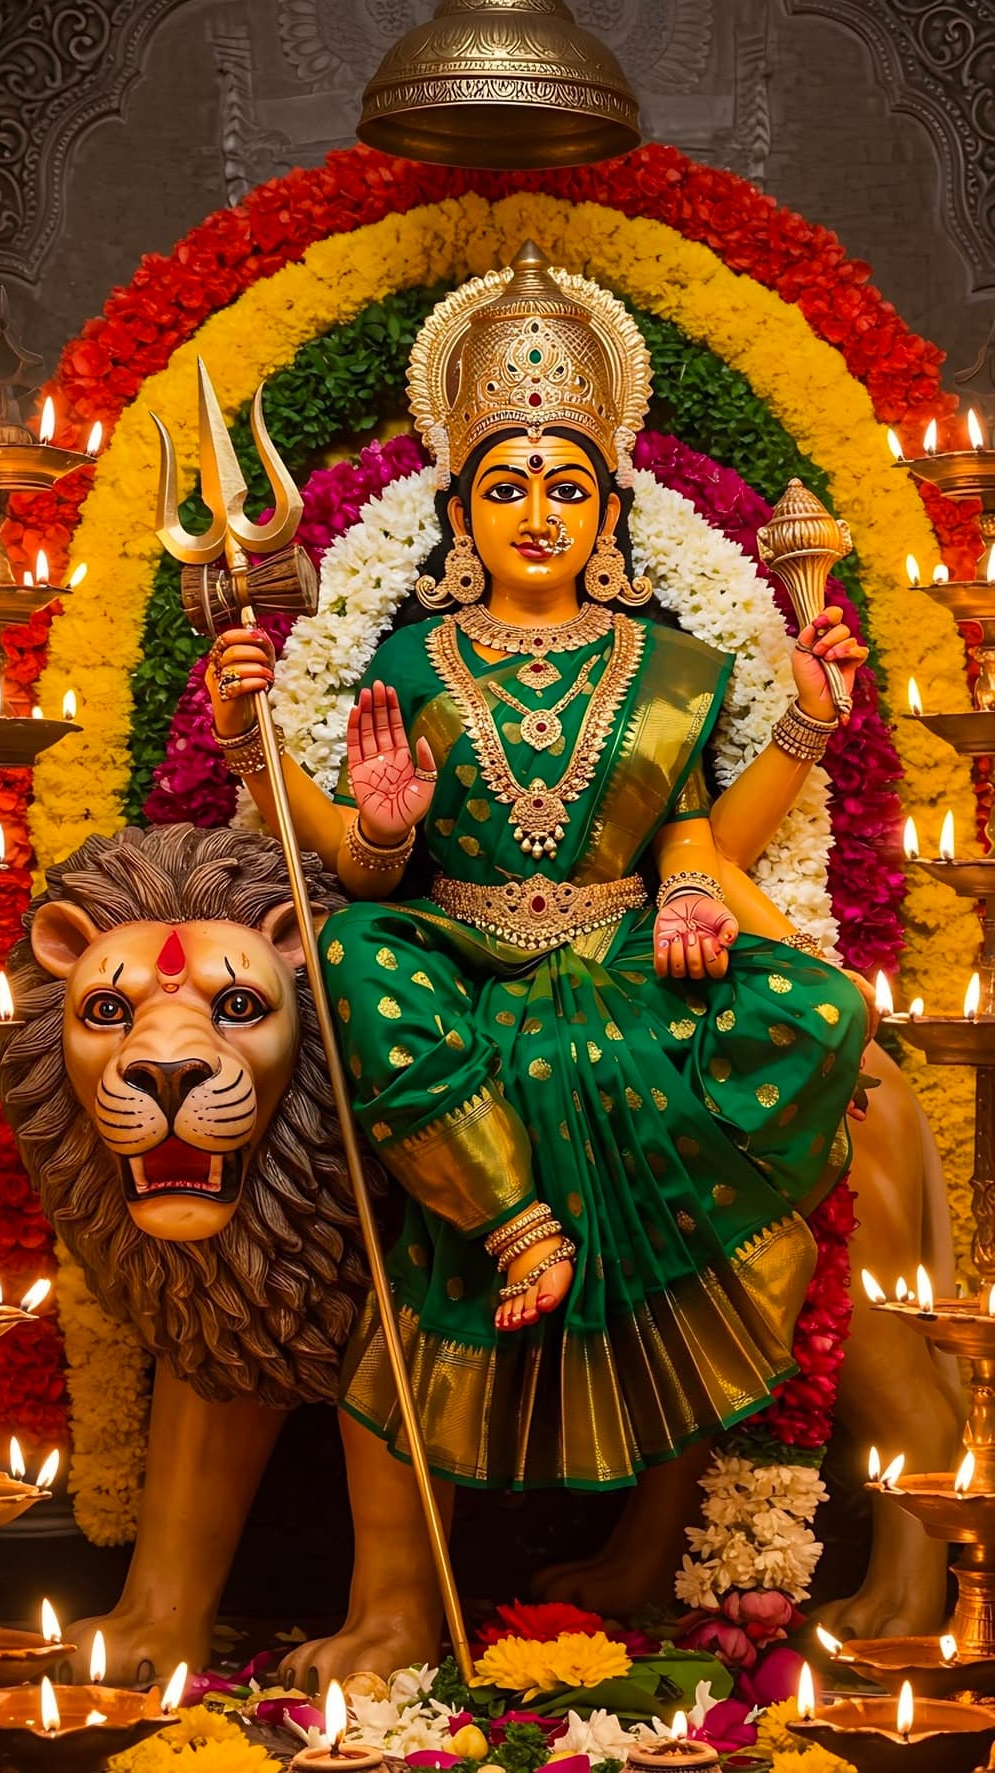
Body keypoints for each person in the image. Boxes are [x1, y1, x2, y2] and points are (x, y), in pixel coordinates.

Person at [206, 243, 872, 1676]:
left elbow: (692, 839)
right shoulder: (408, 662)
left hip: (620, 963)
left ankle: (642, 1511)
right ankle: (514, 1222)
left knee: (814, 1008)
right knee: (363, 948)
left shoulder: (673, 669)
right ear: (458, 508)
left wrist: (778, 766)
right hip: (448, 949)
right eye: (504, 484)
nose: (536, 512)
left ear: (607, 509)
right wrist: (348, 813)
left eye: (566, 486)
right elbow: (362, 863)